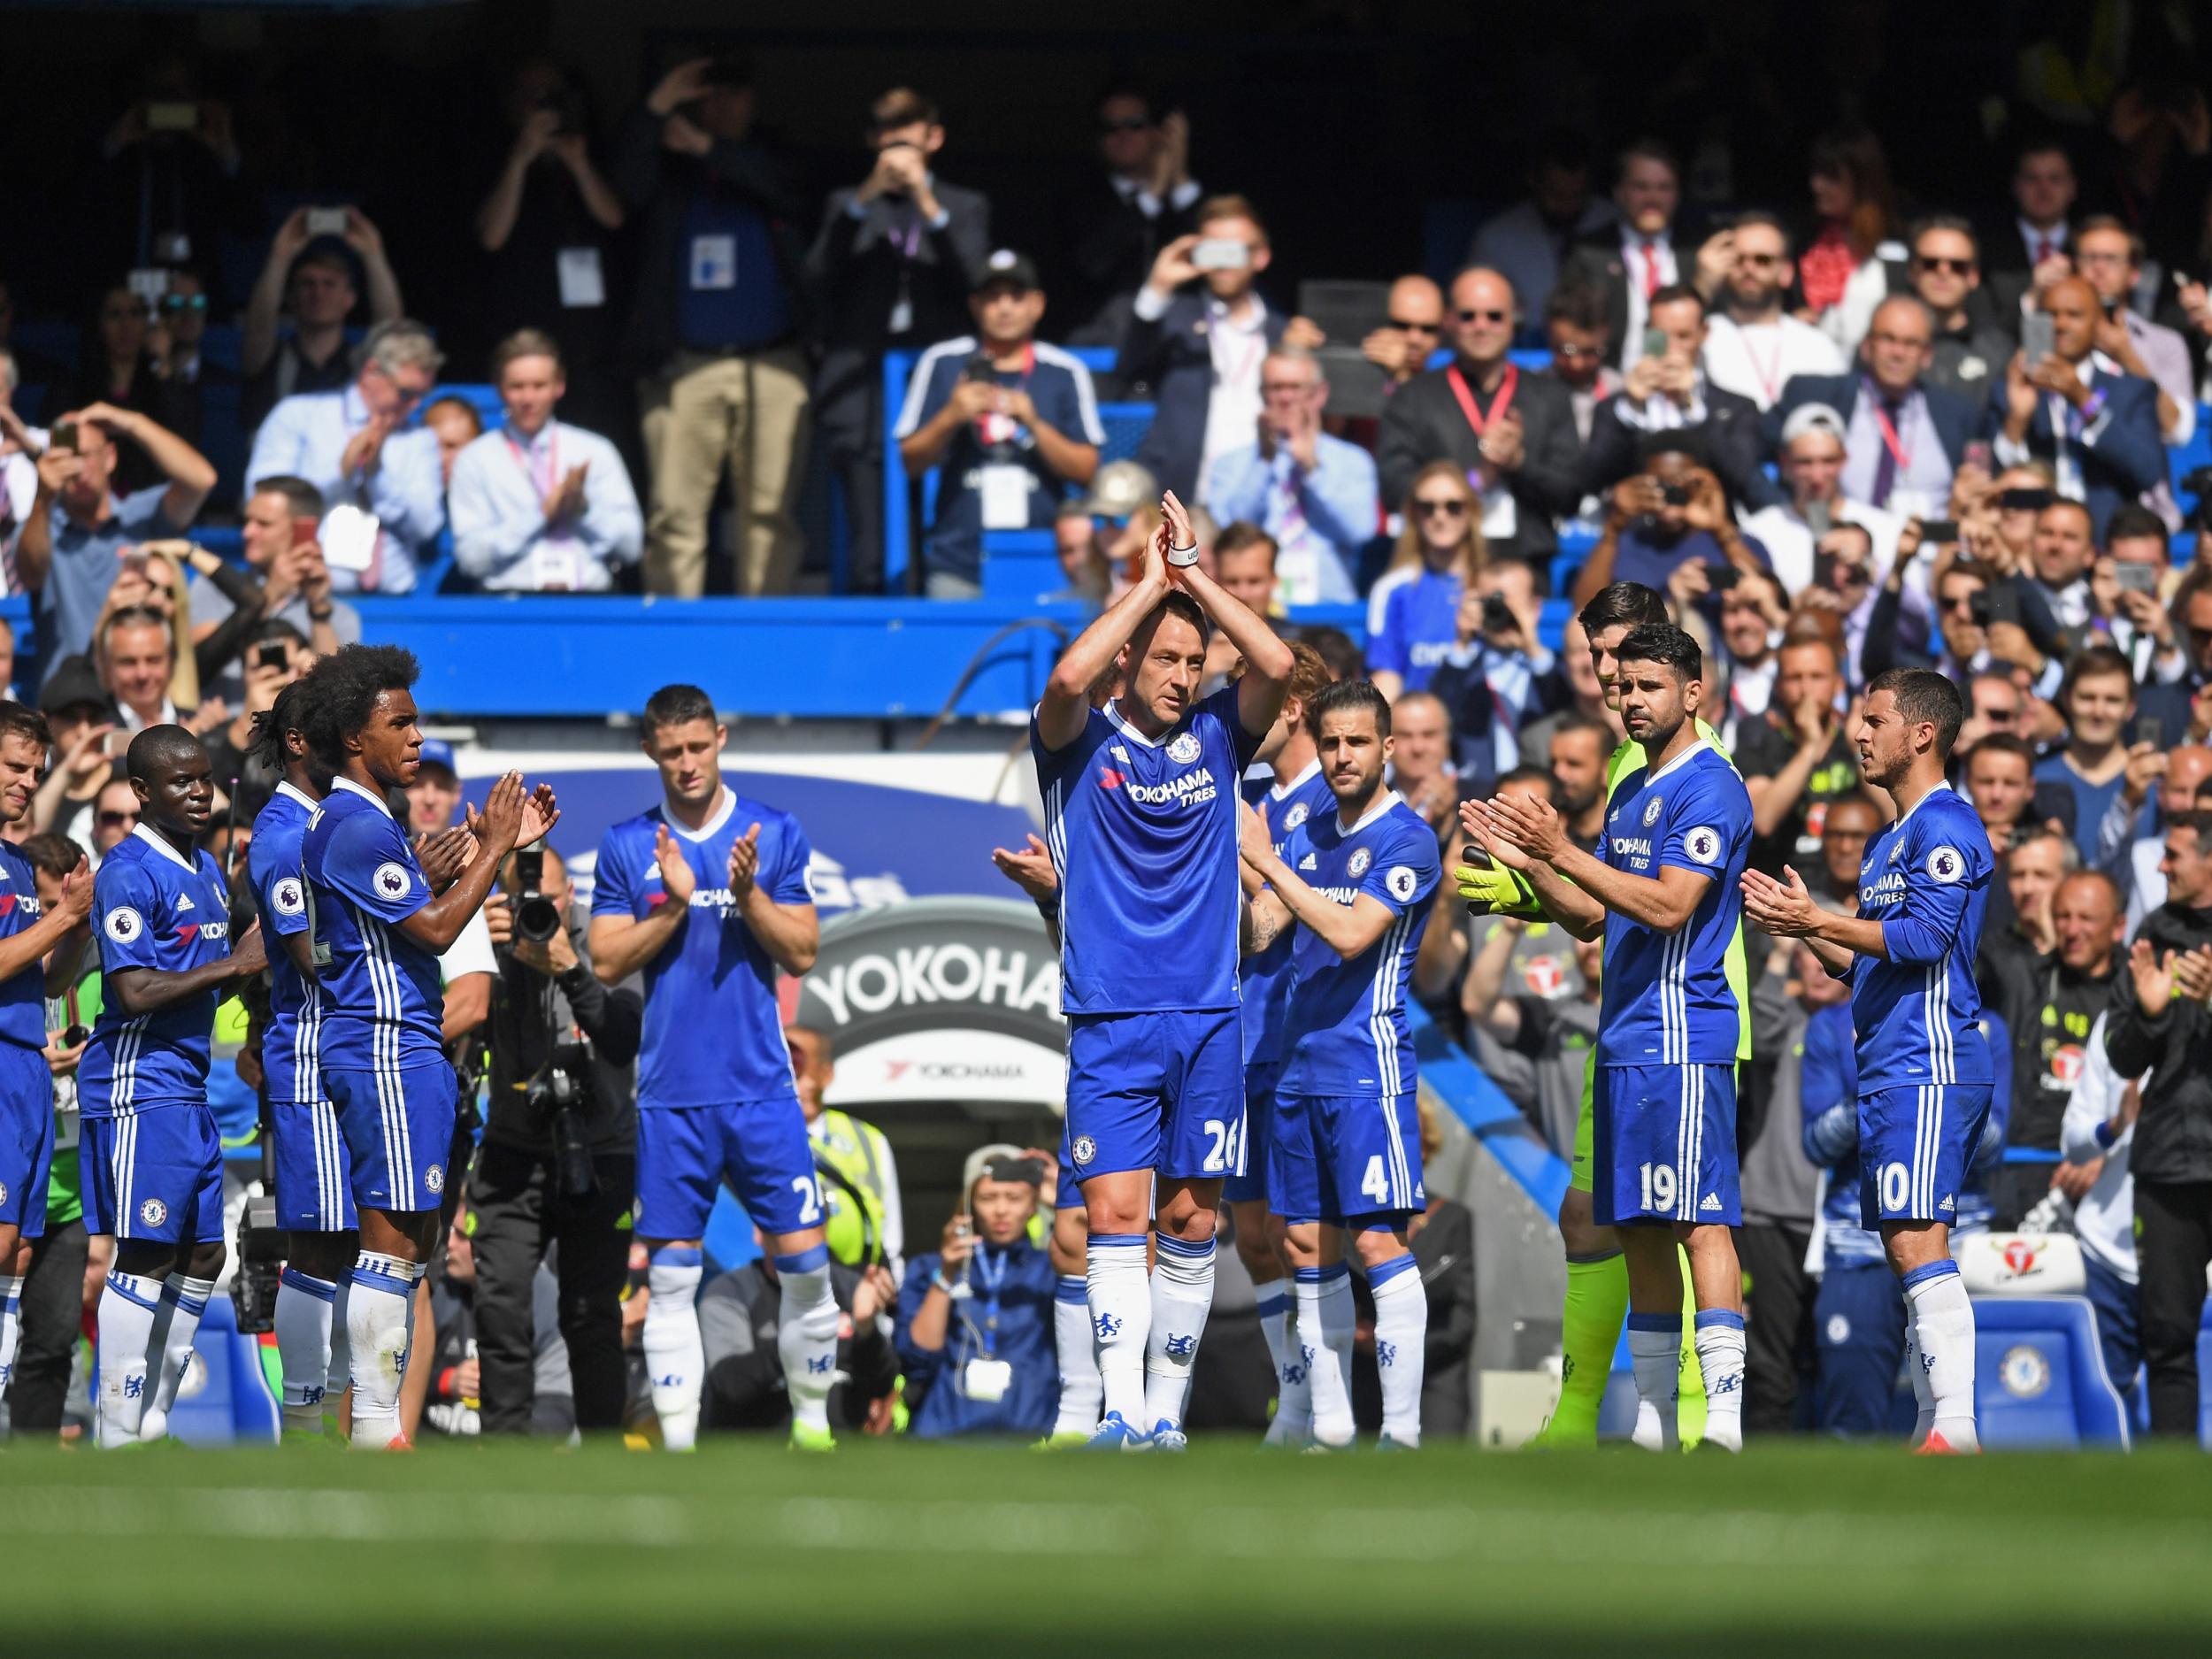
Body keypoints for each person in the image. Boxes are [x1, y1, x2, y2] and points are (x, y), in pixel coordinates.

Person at [1030, 489, 1292, 1448]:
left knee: (1189, 1221)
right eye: (1166, 659)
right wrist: (1146, 588)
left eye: (1194, 662)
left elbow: (1273, 662)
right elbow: (1066, 677)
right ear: (1131, 658)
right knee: (1113, 1212)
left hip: (1210, 1012)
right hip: (1110, 1014)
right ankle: (1120, 1412)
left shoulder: (1220, 736)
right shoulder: (1078, 743)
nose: (1183, 676)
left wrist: (1196, 581)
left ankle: (1165, 1419)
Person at [1466, 621, 1755, 1452]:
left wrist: (1556, 844)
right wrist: (1533, 874)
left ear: (1693, 692)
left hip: (1684, 1035)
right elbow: (1597, 915)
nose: (1629, 701)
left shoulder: (1712, 787)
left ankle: (1724, 1421)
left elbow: (1668, 905)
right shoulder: (1633, 788)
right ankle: (1657, 1422)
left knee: (1702, 1222)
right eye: (1622, 687)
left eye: (1649, 686)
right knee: (1637, 1226)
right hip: (1625, 1037)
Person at [297, 645, 556, 1449]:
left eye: (416, 720)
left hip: (392, 1053)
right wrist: (493, 850)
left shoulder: (376, 825)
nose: (416, 737)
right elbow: (439, 930)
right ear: (351, 735)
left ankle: (369, 1424)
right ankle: (374, 1426)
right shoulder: (350, 823)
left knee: (399, 1252)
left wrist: (470, 857)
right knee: (388, 1247)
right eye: (398, 723)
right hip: (381, 1052)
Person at [1742, 668, 1997, 1453]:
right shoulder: (1890, 838)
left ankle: (1955, 1426)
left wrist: (1819, 914)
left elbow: (1923, 940)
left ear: (1922, 733)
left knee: (1920, 1238)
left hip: (1930, 1057)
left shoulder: (1945, 827)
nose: (1859, 733)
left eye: (1874, 719)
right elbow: (1867, 962)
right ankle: (1931, 1421)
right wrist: (1802, 927)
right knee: (1902, 1244)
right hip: (1888, 1062)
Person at [588, 683, 830, 1452]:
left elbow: (801, 949)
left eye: (698, 747)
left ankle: (816, 1429)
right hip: (671, 1097)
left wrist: (748, 892)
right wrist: (673, 906)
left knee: (808, 1267)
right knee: (668, 1280)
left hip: (762, 1090)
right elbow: (602, 959)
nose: (687, 764)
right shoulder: (630, 844)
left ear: (720, 738)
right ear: (650, 752)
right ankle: (680, 1447)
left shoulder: (774, 830)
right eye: (672, 752)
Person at [1239, 680, 1441, 1448]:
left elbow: (1353, 932)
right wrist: (1216, 872)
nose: (1342, 756)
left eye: (1358, 742)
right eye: (1330, 743)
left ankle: (1403, 1433)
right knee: (1302, 1244)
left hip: (1367, 1068)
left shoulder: (1406, 839)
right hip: (1297, 1066)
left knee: (1378, 1241)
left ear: (1387, 747)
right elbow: (1263, 930)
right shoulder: (1308, 832)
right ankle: (1327, 1427)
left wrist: (1269, 863)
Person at [80, 725, 265, 1445]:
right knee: (148, 1251)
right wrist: (235, 966)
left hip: (183, 1086)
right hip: (135, 1081)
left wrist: (243, 981)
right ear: (141, 791)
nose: (198, 790)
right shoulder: (127, 870)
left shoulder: (208, 870)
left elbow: (207, 987)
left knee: (206, 1255)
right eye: (181, 780)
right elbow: (131, 988)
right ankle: (117, 1425)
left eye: (205, 777)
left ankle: (153, 1410)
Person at [613, 52, 810, 600]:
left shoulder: (772, 153)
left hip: (771, 359)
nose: (721, 104)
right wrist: (655, 108)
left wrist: (709, 147)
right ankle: (676, 636)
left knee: (769, 512)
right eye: (708, 93)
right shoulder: (668, 162)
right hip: (684, 361)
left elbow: (791, 192)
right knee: (675, 512)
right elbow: (624, 191)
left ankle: (766, 628)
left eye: (733, 91)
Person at [470, 842, 641, 1437]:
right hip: (513, 1151)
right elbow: (456, 1025)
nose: (536, 908)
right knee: (500, 1310)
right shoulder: (486, 947)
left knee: (591, 1314)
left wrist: (568, 966)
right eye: (522, 898)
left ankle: (601, 1457)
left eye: (547, 896)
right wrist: (484, 950)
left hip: (601, 1150)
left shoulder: (607, 948)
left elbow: (620, 1038)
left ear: (571, 897)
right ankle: (505, 1455)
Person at [807, 88, 992, 593]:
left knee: (941, 511)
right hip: (864, 389)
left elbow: (979, 281)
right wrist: (867, 195)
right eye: (888, 145)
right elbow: (816, 277)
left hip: (939, 379)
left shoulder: (962, 205)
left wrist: (927, 203)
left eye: (908, 144)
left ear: (934, 139)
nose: (898, 158)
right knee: (870, 533)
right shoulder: (848, 204)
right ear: (873, 144)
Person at [1220, 641, 1334, 1445]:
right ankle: (1293, 1402)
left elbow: (1304, 910)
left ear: (1291, 704)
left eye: (1249, 692)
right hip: (1242, 1040)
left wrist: (1250, 860)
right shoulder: (1249, 788)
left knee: (1308, 1236)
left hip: (1303, 1044)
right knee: (1254, 1236)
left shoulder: (1334, 798)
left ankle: (1337, 1405)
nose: (1237, 711)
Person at [244, 682, 352, 1439]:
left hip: (350, 1050)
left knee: (355, 1236)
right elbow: (306, 955)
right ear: (297, 741)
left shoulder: (335, 820)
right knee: (316, 1237)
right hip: (311, 1052)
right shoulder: (284, 833)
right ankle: (305, 1413)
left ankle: (351, 1409)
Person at [894, 251, 1104, 599]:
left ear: (1037, 304)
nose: (1004, 308)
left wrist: (1034, 424)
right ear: (975, 306)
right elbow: (909, 461)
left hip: (1047, 558)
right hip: (959, 561)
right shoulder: (943, 362)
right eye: (992, 297)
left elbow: (1087, 470)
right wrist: (951, 415)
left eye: (1016, 297)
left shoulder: (1064, 370)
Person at [2103, 810, 2212, 1438]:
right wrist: (2148, 1016)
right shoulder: (2155, 931)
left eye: (2174, 855)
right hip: (2169, 1163)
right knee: (2167, 1334)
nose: (2162, 866)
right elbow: (2120, 1055)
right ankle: (2174, 1478)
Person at [0, 704, 93, 1417]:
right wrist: (59, 918)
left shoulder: (12, 859)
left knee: (16, 1255)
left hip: (26, 1069)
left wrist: (79, 921)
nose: (28, 782)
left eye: (36, 770)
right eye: (14, 767)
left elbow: (45, 981)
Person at [1375, 265, 1582, 574]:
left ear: (1515, 319)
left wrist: (1518, 463)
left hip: (1525, 565)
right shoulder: (1413, 397)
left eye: (1494, 316)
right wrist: (1470, 484)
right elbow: (1394, 487)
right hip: (1439, 564)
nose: (1481, 326)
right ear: (1449, 320)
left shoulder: (1550, 397)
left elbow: (1570, 494)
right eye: (1468, 316)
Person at [471, 62, 627, 434]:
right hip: (520, 319)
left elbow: (614, 219)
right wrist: (520, 158)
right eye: (532, 98)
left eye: (551, 98)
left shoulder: (592, 148)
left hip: (587, 334)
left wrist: (579, 164)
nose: (543, 108)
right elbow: (491, 235)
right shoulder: (493, 153)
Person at [1121, 195, 1304, 503]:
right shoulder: (1174, 319)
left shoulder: (1285, 334)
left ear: (1260, 257)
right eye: (1214, 249)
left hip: (1261, 498)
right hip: (1184, 495)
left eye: (1233, 250)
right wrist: (1158, 287)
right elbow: (1128, 372)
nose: (1222, 260)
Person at [245, 320, 446, 595]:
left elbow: (426, 526)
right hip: (300, 590)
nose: (415, 405)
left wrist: (377, 476)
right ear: (372, 371)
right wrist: (340, 473)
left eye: (422, 395)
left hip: (390, 599)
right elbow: (258, 497)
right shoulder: (299, 414)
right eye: (406, 393)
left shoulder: (418, 438)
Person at [19, 403, 215, 671]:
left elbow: (201, 480)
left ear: (109, 457)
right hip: (67, 700)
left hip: (140, 684)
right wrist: (42, 498)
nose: (76, 467)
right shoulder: (40, 524)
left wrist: (131, 422)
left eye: (85, 455)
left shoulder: (143, 515)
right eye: (65, 454)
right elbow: (29, 575)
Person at [449, 329, 644, 594]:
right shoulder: (476, 459)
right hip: (508, 603)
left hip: (590, 600)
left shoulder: (595, 450)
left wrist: (584, 510)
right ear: (499, 389)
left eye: (539, 386)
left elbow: (632, 548)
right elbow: (470, 559)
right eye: (517, 387)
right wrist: (540, 514)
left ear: (558, 386)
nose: (529, 399)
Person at [1981, 870, 2123, 1230]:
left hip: (2101, 1178)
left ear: (2118, 927)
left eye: (2086, 918)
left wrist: (2105, 1156)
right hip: (2017, 1172)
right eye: (2063, 916)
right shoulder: (2022, 975)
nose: (2072, 929)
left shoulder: (2137, 999)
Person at [896, 1147, 1060, 1438]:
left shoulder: (1051, 1267)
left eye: (1014, 1198)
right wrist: (946, 1275)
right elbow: (917, 1360)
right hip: (947, 1426)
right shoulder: (929, 1267)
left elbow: (1110, 1263)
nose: (1001, 1210)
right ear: (970, 1203)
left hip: (1031, 1425)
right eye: (987, 1198)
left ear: (1034, 1204)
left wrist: (1062, 1200)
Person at [1770, 295, 1978, 519]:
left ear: (1927, 355)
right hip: (1841, 544)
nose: (1898, 353)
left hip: (1930, 550)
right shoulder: (1815, 394)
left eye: (1911, 343)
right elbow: (1753, 458)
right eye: (1888, 339)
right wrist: (1789, 517)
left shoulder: (1959, 413)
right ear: (1867, 346)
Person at [1201, 346, 1377, 604]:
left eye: (1296, 388)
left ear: (1319, 394)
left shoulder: (1352, 460)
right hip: (1253, 608)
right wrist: (1263, 463)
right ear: (1262, 394)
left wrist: (1311, 467)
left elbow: (1361, 530)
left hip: (1327, 605)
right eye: (1276, 388)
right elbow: (1228, 534)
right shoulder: (1230, 463)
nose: (1285, 398)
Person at [1993, 278, 2166, 540]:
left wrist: (2086, 401)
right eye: (2050, 315)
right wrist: (2017, 421)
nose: (2061, 325)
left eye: (2074, 315)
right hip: (2033, 543)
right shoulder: (2011, 387)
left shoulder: (2131, 390)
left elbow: (2149, 472)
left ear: (2098, 322)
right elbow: (1989, 482)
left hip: (2104, 540)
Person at [1581, 282, 1777, 511]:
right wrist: (1631, 410)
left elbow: (1747, 485)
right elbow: (1590, 484)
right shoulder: (1616, 409)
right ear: (1647, 333)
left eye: (1683, 336)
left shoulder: (1735, 408)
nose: (1671, 348)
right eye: (1660, 337)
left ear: (1704, 334)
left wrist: (1694, 411)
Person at [699, 1228, 898, 1436]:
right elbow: (730, 1385)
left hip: (844, 1443)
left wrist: (866, 1329)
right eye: (787, 1225)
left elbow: (881, 1384)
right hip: (759, 1445)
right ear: (759, 1234)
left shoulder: (852, 1287)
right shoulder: (730, 1291)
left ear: (825, 1234)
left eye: (812, 1226)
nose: (801, 1237)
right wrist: (800, 1339)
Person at [1055, 83, 1202, 345]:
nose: (1123, 134)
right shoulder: (1076, 199)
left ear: (1159, 133)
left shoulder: (1184, 199)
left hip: (1179, 341)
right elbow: (1094, 264)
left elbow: (1217, 254)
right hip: (1103, 342)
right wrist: (1152, 195)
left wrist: (1178, 178)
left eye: (1135, 124)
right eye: (1110, 128)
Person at [188, 476, 356, 708]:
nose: (247, 532)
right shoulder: (210, 589)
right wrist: (269, 595)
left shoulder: (339, 615)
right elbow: (193, 669)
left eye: (263, 524)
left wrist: (318, 609)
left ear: (302, 530)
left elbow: (337, 697)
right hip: (222, 736)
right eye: (247, 521)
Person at [240, 212, 404, 432]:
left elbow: (390, 331)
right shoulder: (271, 357)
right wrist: (280, 257)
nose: (318, 293)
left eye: (330, 284)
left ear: (350, 299)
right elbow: (258, 328)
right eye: (308, 284)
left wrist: (373, 254)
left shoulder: (361, 363)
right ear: (291, 298)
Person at [2060, 1010, 2142, 1411]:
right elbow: (2072, 1142)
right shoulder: (2115, 1022)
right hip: (2105, 1258)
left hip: (2189, 1257)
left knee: (2181, 1407)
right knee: (2104, 1411)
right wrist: (2114, 1126)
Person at [1570, 444, 1770, 606]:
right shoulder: (1624, 546)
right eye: (1660, 485)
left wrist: (1721, 526)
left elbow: (1770, 600)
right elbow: (1585, 612)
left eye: (1680, 483)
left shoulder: (1737, 542)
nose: (1670, 495)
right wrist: (1614, 525)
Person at [1560, 139, 1696, 373]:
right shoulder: (1588, 252)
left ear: (1677, 194)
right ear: (1619, 192)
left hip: (1684, 382)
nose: (1653, 198)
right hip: (1610, 386)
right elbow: (1570, 328)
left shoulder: (1697, 249)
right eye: (1641, 187)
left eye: (1664, 187)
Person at [1468, 128, 1615, 337]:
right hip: (1522, 352)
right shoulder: (1497, 237)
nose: (1567, 207)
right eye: (1557, 196)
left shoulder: (1614, 223)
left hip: (1597, 351)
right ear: (1533, 181)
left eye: (1576, 197)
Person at [1737, 635, 1861, 877]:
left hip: (1847, 892)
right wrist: (1809, 747)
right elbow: (1762, 820)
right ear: (1779, 686)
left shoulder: (1853, 739)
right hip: (1778, 886)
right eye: (1795, 678)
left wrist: (1860, 751)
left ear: (1838, 684)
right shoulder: (1758, 738)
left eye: (1817, 677)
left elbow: (1893, 814)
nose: (1806, 689)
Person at [1694, 211, 1845, 411]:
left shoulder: (1819, 346)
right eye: (1738, 259)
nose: (1749, 268)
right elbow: (1656, 346)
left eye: (1762, 260)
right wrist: (1701, 287)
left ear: (1786, 272)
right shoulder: (1701, 336)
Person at [787, 1023, 903, 1276]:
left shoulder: (868, 1139)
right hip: (781, 1286)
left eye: (799, 1065)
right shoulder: (752, 1137)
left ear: (826, 1074)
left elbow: (892, 1238)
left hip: (860, 1286)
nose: (791, 1078)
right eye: (783, 1065)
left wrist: (887, 1285)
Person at [2069, 218, 2193, 446]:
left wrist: (2127, 356)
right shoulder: (2057, 336)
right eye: (2089, 258)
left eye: (2112, 259)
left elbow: (2178, 431)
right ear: (2074, 266)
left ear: (2134, 273)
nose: (2099, 268)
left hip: (2141, 475)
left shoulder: (2165, 342)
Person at [1366, 462, 1485, 700]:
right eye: (1427, 507)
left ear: (1471, 512)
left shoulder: (1493, 586)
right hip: (1416, 729)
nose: (1440, 517)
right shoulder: (1391, 590)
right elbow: (1386, 679)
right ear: (1413, 514)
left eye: (1453, 507)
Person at [1795, 126, 1901, 353]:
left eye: (1831, 176)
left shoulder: (1897, 242)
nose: (1817, 185)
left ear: (1863, 180)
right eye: (1816, 174)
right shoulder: (1806, 240)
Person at [2036, 644, 2139, 866]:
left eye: (2112, 700)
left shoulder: (2149, 786)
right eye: (2087, 698)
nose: (2098, 712)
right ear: (2066, 699)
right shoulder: (2035, 779)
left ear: (2130, 708)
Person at [1906, 217, 2017, 403]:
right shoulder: (1886, 343)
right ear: (1912, 272)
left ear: (1973, 276)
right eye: (1930, 263)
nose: (1943, 272)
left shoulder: (1999, 351)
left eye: (1958, 266)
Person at [1983, 140, 2079, 328]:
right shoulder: (1988, 249)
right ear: (2016, 186)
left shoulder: (2090, 248)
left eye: (2055, 179)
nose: (2043, 189)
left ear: (2072, 187)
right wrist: (2032, 297)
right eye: (2032, 178)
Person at [1541, 281, 1623, 443]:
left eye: (1589, 352)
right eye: (1565, 350)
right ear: (1549, 337)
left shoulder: (1621, 394)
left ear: (1606, 336)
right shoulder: (1529, 392)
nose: (1576, 363)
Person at [1357, 275, 1448, 402]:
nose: (1414, 339)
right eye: (1402, 326)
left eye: (1428, 329)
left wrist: (1402, 375)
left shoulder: (1453, 369)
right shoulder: (1356, 361)